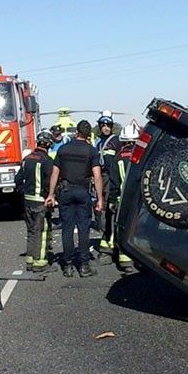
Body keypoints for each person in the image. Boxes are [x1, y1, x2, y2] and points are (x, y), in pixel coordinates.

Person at [45, 120, 104, 277]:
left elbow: (55, 174)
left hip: (65, 191)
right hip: (83, 191)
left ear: (76, 132)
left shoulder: (63, 149)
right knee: (84, 229)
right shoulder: (91, 151)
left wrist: (51, 194)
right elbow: (97, 176)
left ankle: (68, 265)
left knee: (67, 229)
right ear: (88, 135)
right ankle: (84, 266)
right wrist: (100, 199)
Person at [17, 130, 56, 273]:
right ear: (49, 144)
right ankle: (40, 264)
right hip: (41, 202)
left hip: (27, 202)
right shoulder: (47, 161)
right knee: (42, 232)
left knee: (31, 231)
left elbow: (17, 180)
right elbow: (49, 182)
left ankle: (30, 260)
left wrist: (25, 192)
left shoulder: (26, 159)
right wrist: (50, 196)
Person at [107, 124, 139, 273]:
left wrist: (112, 201)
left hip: (121, 200)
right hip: (138, 202)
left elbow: (114, 183)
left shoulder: (118, 158)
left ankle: (124, 260)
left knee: (121, 228)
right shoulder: (140, 157)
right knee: (136, 228)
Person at [94, 110, 121, 254]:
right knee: (101, 208)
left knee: (111, 208)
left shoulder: (116, 141)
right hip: (101, 177)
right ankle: (106, 234)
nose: (106, 128)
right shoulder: (97, 142)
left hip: (112, 178)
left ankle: (112, 238)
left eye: (108, 125)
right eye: (103, 125)